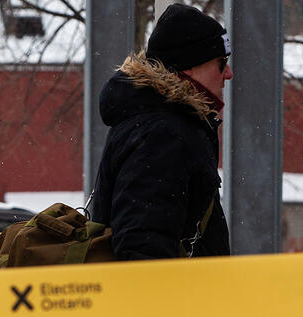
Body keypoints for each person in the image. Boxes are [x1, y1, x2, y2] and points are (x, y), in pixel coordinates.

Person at [90, 3, 233, 260]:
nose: (229, 74)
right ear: (189, 67)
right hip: (171, 297)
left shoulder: (161, 123)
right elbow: (142, 247)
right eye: (221, 63)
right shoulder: (162, 135)